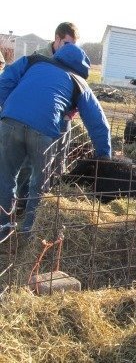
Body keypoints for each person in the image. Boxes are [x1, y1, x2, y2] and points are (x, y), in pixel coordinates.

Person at [0, 43, 111, 238]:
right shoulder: (79, 82)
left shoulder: (32, 61)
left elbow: (3, 83)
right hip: (43, 131)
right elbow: (98, 123)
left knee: (6, 177)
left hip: (10, 122)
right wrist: (104, 156)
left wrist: (11, 108)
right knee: (39, 183)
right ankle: (29, 233)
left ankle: (3, 227)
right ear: (83, 68)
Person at [16, 22, 80, 210]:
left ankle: (49, 200)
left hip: (63, 118)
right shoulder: (38, 58)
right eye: (67, 44)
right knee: (30, 161)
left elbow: (80, 89)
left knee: (59, 158)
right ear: (57, 39)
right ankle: (22, 200)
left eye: (74, 45)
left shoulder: (74, 60)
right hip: (38, 119)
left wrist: (71, 113)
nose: (71, 49)